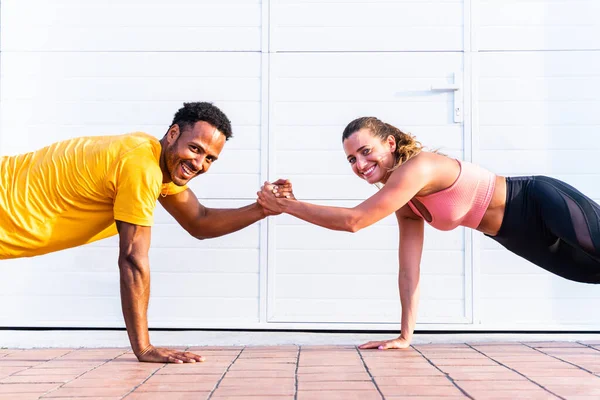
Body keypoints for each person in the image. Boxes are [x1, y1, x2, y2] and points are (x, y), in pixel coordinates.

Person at [257, 116, 600, 350]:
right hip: (514, 235)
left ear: (389, 143)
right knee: (591, 274)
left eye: (366, 151)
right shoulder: (407, 204)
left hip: (539, 201)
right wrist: (405, 335)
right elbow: (409, 271)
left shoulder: (417, 169)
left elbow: (355, 221)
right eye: (351, 160)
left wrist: (288, 206)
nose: (360, 165)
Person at [0, 102, 289, 363]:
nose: (199, 164)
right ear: (173, 134)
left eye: (210, 158)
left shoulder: (154, 160)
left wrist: (262, 208)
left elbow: (199, 221)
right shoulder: (142, 167)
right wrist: (144, 347)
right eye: (196, 149)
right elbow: (132, 259)